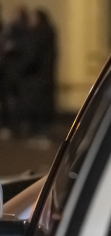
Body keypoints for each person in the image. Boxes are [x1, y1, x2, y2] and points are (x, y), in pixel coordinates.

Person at [21, 9, 56, 145]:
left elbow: (33, 56)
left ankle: (41, 133)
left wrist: (22, 67)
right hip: (43, 76)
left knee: (39, 105)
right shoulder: (47, 32)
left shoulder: (41, 34)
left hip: (38, 77)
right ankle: (40, 132)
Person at [0, 6, 29, 139]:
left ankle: (13, 127)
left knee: (13, 101)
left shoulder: (21, 31)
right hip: (8, 72)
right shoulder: (8, 29)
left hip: (14, 73)